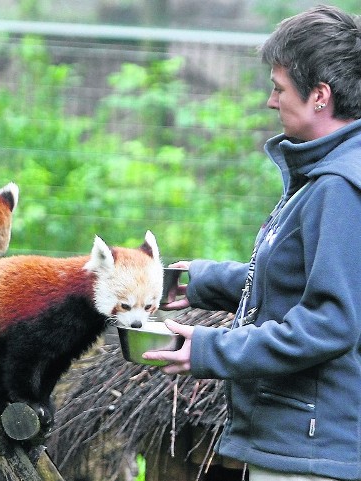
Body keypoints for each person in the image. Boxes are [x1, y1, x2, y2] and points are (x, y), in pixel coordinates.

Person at [142, 5, 361, 481]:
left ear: (319, 96)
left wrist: (208, 349)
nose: (270, 100)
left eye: (279, 88)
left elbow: (329, 323)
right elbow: (301, 280)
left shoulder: (340, 188)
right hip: (300, 443)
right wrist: (198, 282)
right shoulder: (324, 177)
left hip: (312, 453)